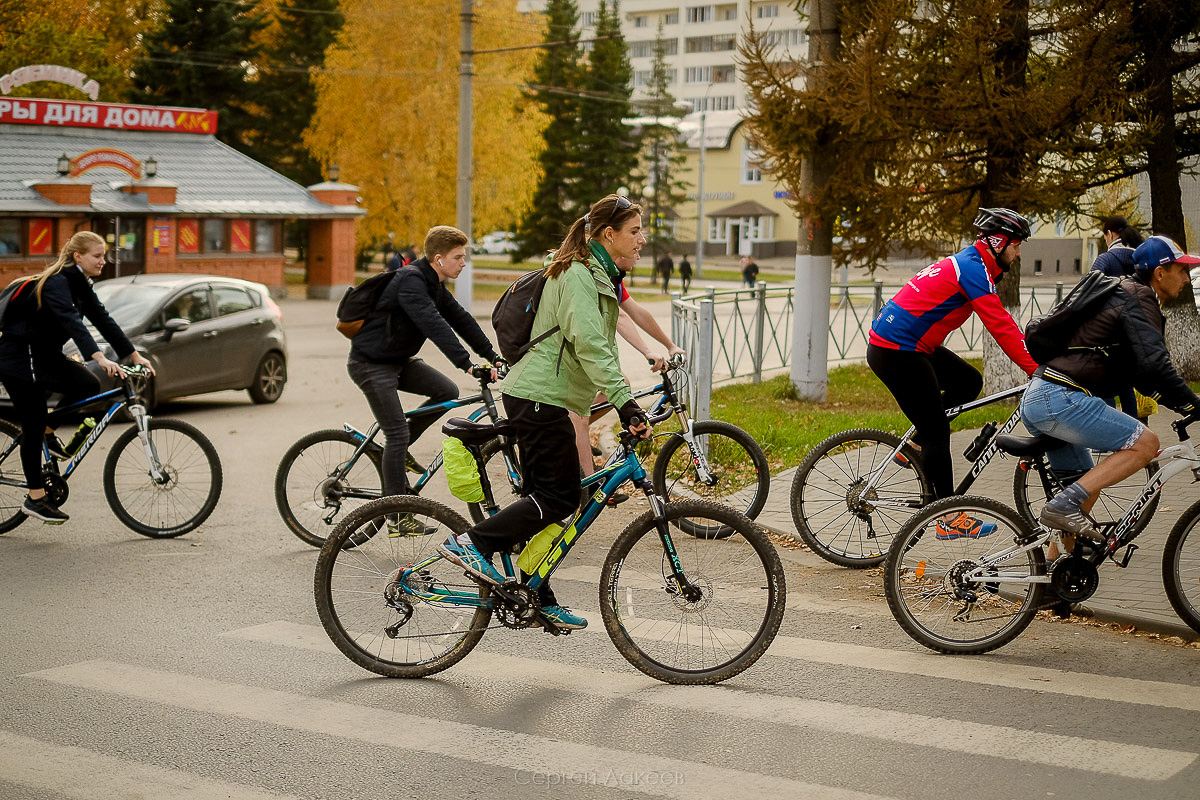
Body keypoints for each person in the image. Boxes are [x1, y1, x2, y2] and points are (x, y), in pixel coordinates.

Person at [438, 194, 652, 631]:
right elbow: (591, 345)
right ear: (608, 235)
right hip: (539, 397)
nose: (642, 240)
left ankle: (536, 591)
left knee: (549, 503)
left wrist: (619, 394)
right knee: (559, 498)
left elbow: (594, 347)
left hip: (546, 396)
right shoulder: (578, 275)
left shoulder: (596, 274)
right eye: (634, 232)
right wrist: (624, 401)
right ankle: (471, 541)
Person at [867, 208, 1038, 539]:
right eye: (1016, 246)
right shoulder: (972, 270)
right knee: (937, 429)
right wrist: (1036, 369)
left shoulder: (973, 264)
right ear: (998, 242)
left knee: (968, 382)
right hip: (896, 350)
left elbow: (1001, 323)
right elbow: (1001, 326)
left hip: (912, 345)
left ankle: (913, 445)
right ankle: (948, 517)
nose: (1017, 254)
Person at [1023, 235, 1200, 542]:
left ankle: (1057, 573)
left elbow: (1142, 374)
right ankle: (1062, 506)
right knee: (1146, 444)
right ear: (1160, 273)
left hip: (1044, 396)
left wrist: (1182, 403)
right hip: (1061, 398)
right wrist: (1194, 404)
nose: (1186, 277)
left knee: (1085, 489)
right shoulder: (1139, 296)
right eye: (1181, 269)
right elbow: (1156, 363)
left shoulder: (1123, 293)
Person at [347, 225, 502, 532]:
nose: (463, 263)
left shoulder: (433, 284)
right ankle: (397, 517)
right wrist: (468, 364)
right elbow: (433, 325)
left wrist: (493, 355)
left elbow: (460, 319)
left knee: (447, 391)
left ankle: (399, 451)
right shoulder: (411, 281)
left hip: (398, 361)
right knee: (396, 434)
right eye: (458, 257)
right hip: (370, 364)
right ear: (439, 258)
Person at [0, 231, 155, 524]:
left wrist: (133, 355)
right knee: (32, 422)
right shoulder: (56, 283)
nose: (104, 261)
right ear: (78, 257)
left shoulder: (80, 284)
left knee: (88, 384)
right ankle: (35, 498)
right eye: (98, 256)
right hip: (19, 357)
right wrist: (99, 357)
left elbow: (103, 319)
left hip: (43, 356)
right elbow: (72, 323)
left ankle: (48, 429)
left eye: (105, 255)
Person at [571, 253, 686, 503]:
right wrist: (647, 351)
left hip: (589, 355)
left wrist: (669, 344)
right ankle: (593, 490)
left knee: (620, 385)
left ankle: (568, 438)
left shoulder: (612, 278)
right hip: (576, 354)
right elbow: (621, 318)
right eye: (634, 234)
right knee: (580, 416)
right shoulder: (592, 273)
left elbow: (636, 312)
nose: (639, 248)